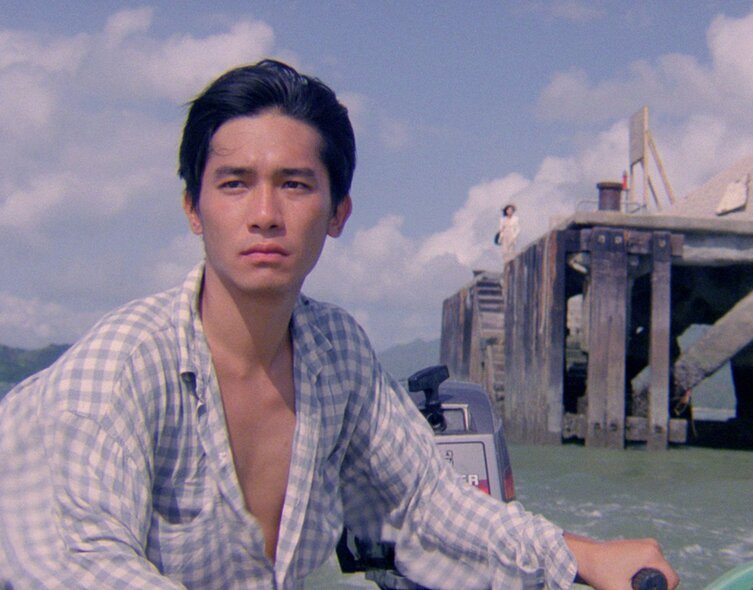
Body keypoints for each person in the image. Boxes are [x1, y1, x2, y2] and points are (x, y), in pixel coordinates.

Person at [0, 59, 678, 590]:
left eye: (294, 184)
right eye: (234, 183)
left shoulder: (335, 353)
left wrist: (580, 556)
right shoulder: (123, 368)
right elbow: (82, 563)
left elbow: (422, 504)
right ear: (192, 208)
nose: (264, 213)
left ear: (337, 213)